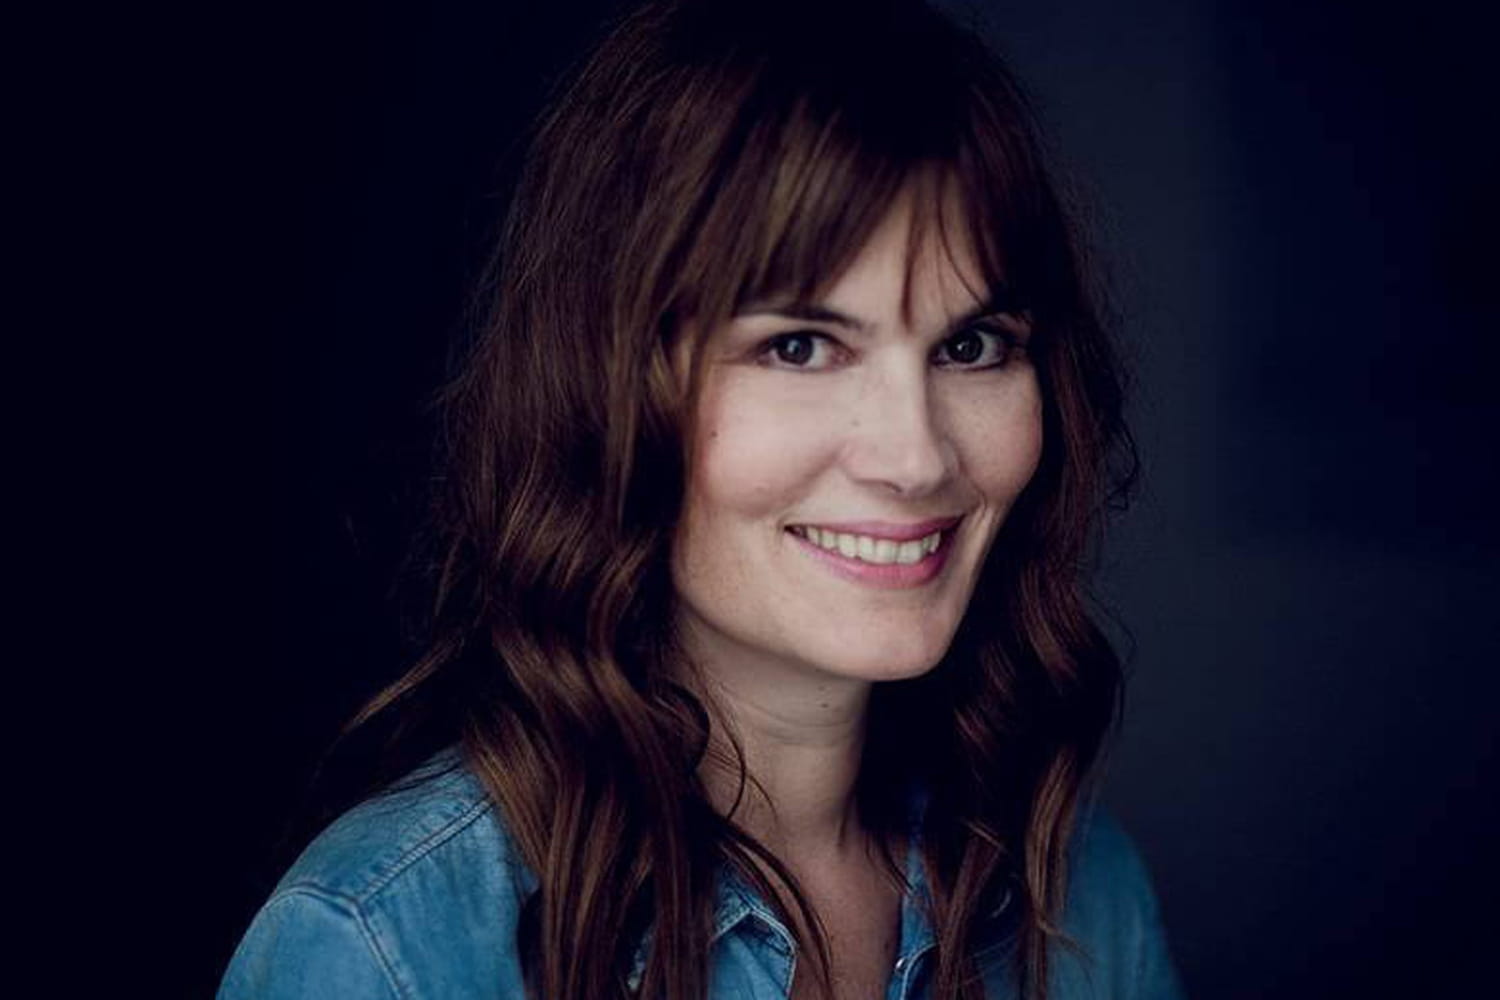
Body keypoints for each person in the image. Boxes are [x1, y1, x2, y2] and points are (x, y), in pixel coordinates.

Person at [221, 1, 1186, 997]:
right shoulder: (387, 946)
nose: (915, 457)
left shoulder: (1079, 891)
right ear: (609, 388)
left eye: (971, 345)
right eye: (799, 347)